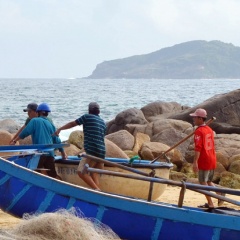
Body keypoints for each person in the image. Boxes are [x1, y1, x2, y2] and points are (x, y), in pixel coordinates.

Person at [53, 102, 106, 190]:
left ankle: (97, 190)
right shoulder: (103, 122)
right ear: (98, 112)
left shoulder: (87, 117)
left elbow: (72, 124)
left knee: (81, 172)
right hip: (102, 152)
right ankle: (98, 192)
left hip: (92, 151)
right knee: (94, 172)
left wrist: (60, 129)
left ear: (89, 111)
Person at [13, 103, 67, 179]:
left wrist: (15, 140)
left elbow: (25, 132)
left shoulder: (34, 121)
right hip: (50, 153)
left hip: (40, 154)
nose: (28, 114)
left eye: (29, 112)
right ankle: (59, 187)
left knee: (35, 175)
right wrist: (63, 153)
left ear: (38, 112)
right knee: (53, 175)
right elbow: (57, 140)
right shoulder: (50, 123)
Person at [190, 108, 220, 208]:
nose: (193, 119)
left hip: (205, 159)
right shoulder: (209, 130)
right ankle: (219, 193)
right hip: (212, 158)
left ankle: (211, 203)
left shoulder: (199, 131)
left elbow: (198, 148)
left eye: (195, 117)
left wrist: (195, 162)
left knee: (203, 182)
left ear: (200, 119)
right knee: (208, 181)